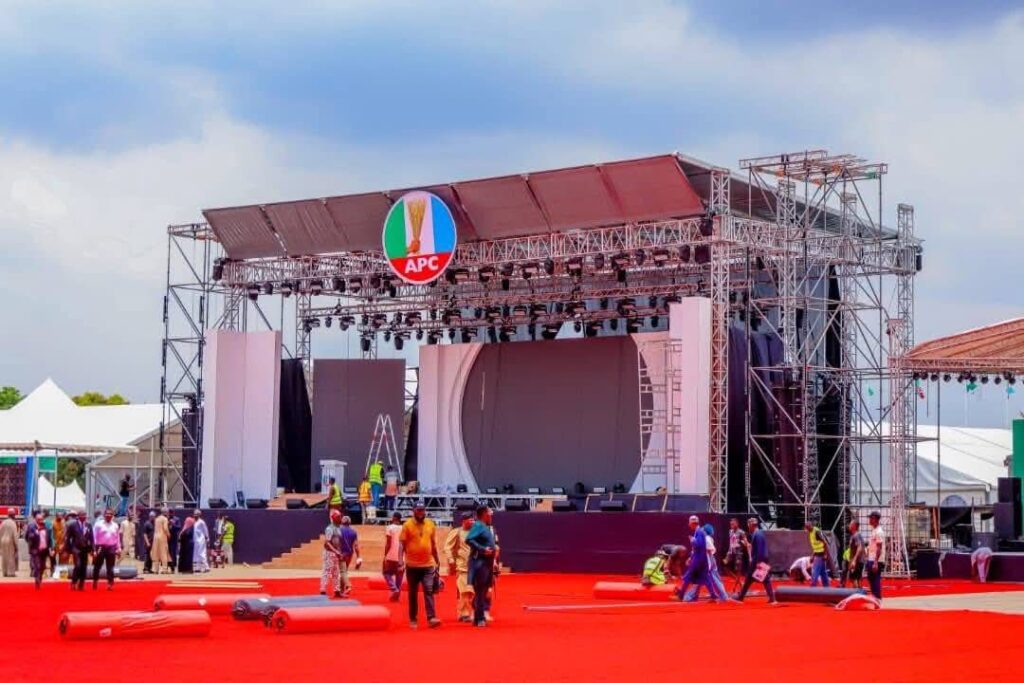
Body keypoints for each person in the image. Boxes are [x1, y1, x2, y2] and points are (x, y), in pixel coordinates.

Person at [400, 502, 442, 629]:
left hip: (428, 564)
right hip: (412, 565)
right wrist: (400, 560)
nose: (421, 513)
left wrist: (437, 560)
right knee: (412, 593)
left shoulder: (430, 524)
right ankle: (413, 618)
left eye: (422, 510)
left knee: (428, 590)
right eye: (418, 510)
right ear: (413, 510)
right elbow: (402, 544)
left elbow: (433, 544)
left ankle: (431, 617)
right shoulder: (407, 525)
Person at [465, 505, 498, 627]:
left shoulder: (485, 526)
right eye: (489, 513)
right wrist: (482, 549)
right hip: (480, 563)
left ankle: (478, 618)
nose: (491, 516)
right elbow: (469, 539)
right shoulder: (478, 525)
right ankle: (480, 618)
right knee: (480, 591)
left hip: (487, 562)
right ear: (484, 514)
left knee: (483, 591)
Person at [676, 515, 717, 601]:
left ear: (692, 523)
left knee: (688, 576)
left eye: (690, 523)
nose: (689, 525)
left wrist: (692, 541)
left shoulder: (699, 532)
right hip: (702, 559)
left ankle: (681, 595)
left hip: (698, 559)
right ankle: (713, 595)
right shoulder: (700, 531)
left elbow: (699, 545)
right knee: (706, 578)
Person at [736, 517, 777, 604]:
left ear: (751, 525)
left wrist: (759, 562)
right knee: (752, 579)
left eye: (749, 525)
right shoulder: (758, 534)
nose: (748, 527)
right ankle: (772, 598)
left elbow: (760, 549)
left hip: (758, 560)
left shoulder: (757, 535)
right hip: (760, 559)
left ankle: (741, 598)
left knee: (759, 579)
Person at [445, 512, 476, 620]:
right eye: (470, 520)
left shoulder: (476, 532)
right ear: (464, 521)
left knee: (472, 592)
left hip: (475, 566)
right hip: (462, 566)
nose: (473, 522)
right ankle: (465, 613)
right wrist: (450, 559)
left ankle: (464, 612)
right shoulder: (457, 532)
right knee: (465, 591)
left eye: (473, 520)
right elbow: (447, 547)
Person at [92, 508, 121, 591]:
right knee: (97, 566)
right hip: (100, 547)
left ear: (112, 515)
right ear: (104, 515)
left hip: (111, 547)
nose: (108, 515)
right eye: (107, 514)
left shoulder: (115, 525)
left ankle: (110, 583)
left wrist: (119, 548)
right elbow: (93, 537)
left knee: (110, 567)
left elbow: (117, 538)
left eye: (110, 514)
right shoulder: (98, 524)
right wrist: (94, 549)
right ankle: (95, 580)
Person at [66, 510, 94, 591]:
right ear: (78, 516)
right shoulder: (72, 525)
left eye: (85, 515)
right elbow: (68, 538)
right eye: (82, 515)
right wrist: (68, 549)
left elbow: (91, 538)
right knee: (78, 565)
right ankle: (74, 582)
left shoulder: (88, 525)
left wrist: (93, 549)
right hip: (76, 548)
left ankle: (81, 584)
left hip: (85, 548)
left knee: (84, 567)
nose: (83, 517)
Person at [25, 513, 53, 589]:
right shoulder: (31, 527)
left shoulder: (47, 528)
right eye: (39, 519)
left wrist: (51, 549)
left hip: (44, 550)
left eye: (41, 519)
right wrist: (31, 543)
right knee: (37, 566)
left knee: (43, 566)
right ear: (36, 520)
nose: (41, 521)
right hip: (35, 550)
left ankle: (39, 578)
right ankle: (37, 581)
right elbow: (27, 537)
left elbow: (50, 539)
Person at [321, 510, 346, 597]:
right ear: (333, 518)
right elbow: (327, 542)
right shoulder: (329, 528)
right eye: (338, 517)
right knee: (327, 572)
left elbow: (339, 541)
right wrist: (335, 551)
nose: (340, 518)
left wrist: (340, 552)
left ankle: (337, 591)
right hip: (329, 553)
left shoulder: (339, 528)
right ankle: (323, 590)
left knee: (336, 572)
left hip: (336, 553)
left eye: (340, 516)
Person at [382, 512, 404, 601]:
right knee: (399, 576)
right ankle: (397, 595)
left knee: (386, 573)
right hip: (401, 556)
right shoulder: (404, 528)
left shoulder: (389, 527)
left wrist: (385, 555)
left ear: (394, 518)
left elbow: (388, 542)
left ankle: (394, 589)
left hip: (391, 555)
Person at [337, 516, 362, 596]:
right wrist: (358, 557)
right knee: (344, 571)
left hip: (340, 553)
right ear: (349, 522)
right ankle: (342, 590)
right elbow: (356, 545)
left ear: (342, 522)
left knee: (342, 571)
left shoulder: (338, 530)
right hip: (349, 554)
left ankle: (347, 586)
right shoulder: (353, 532)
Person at [866, 511, 886, 601]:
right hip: (871, 558)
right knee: (871, 578)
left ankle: (877, 597)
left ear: (875, 519)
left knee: (875, 578)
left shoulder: (879, 532)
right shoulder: (874, 530)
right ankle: (875, 596)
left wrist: (875, 562)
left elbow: (879, 547)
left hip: (876, 559)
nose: (869, 520)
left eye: (871, 518)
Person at [804, 521, 830, 587]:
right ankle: (827, 587)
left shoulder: (816, 532)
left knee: (815, 571)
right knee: (823, 572)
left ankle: (813, 587)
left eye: (807, 528)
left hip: (821, 554)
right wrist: (813, 555)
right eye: (806, 528)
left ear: (810, 526)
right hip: (818, 554)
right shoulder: (811, 533)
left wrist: (825, 554)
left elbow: (825, 543)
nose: (807, 530)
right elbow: (816, 546)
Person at [723, 517, 748, 585]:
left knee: (737, 569)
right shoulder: (730, 531)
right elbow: (731, 542)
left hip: (738, 552)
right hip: (730, 551)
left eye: (733, 524)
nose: (731, 525)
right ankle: (738, 581)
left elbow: (746, 543)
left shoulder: (741, 532)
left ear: (737, 524)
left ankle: (738, 584)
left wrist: (742, 542)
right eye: (731, 524)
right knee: (724, 565)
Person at [841, 520, 865, 589]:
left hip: (857, 561)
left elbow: (860, 547)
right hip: (858, 560)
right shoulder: (855, 535)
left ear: (854, 526)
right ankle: (860, 593)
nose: (849, 525)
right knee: (857, 579)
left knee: (853, 579)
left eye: (850, 524)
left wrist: (854, 560)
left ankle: (857, 593)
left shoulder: (856, 535)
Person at [152, 508, 171, 575]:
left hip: (155, 537)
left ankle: (155, 570)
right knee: (164, 553)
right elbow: (165, 528)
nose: (168, 513)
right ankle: (164, 569)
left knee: (156, 554)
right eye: (167, 512)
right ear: (165, 512)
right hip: (162, 537)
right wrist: (169, 535)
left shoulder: (156, 519)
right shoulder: (165, 519)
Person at [0, 510, 18, 577]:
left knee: (4, 557)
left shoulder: (3, 522)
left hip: (3, 541)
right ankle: (10, 573)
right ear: (13, 515)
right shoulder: (13, 523)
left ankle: (4, 572)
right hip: (10, 541)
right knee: (11, 557)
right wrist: (16, 545)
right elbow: (15, 535)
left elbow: (0, 533)